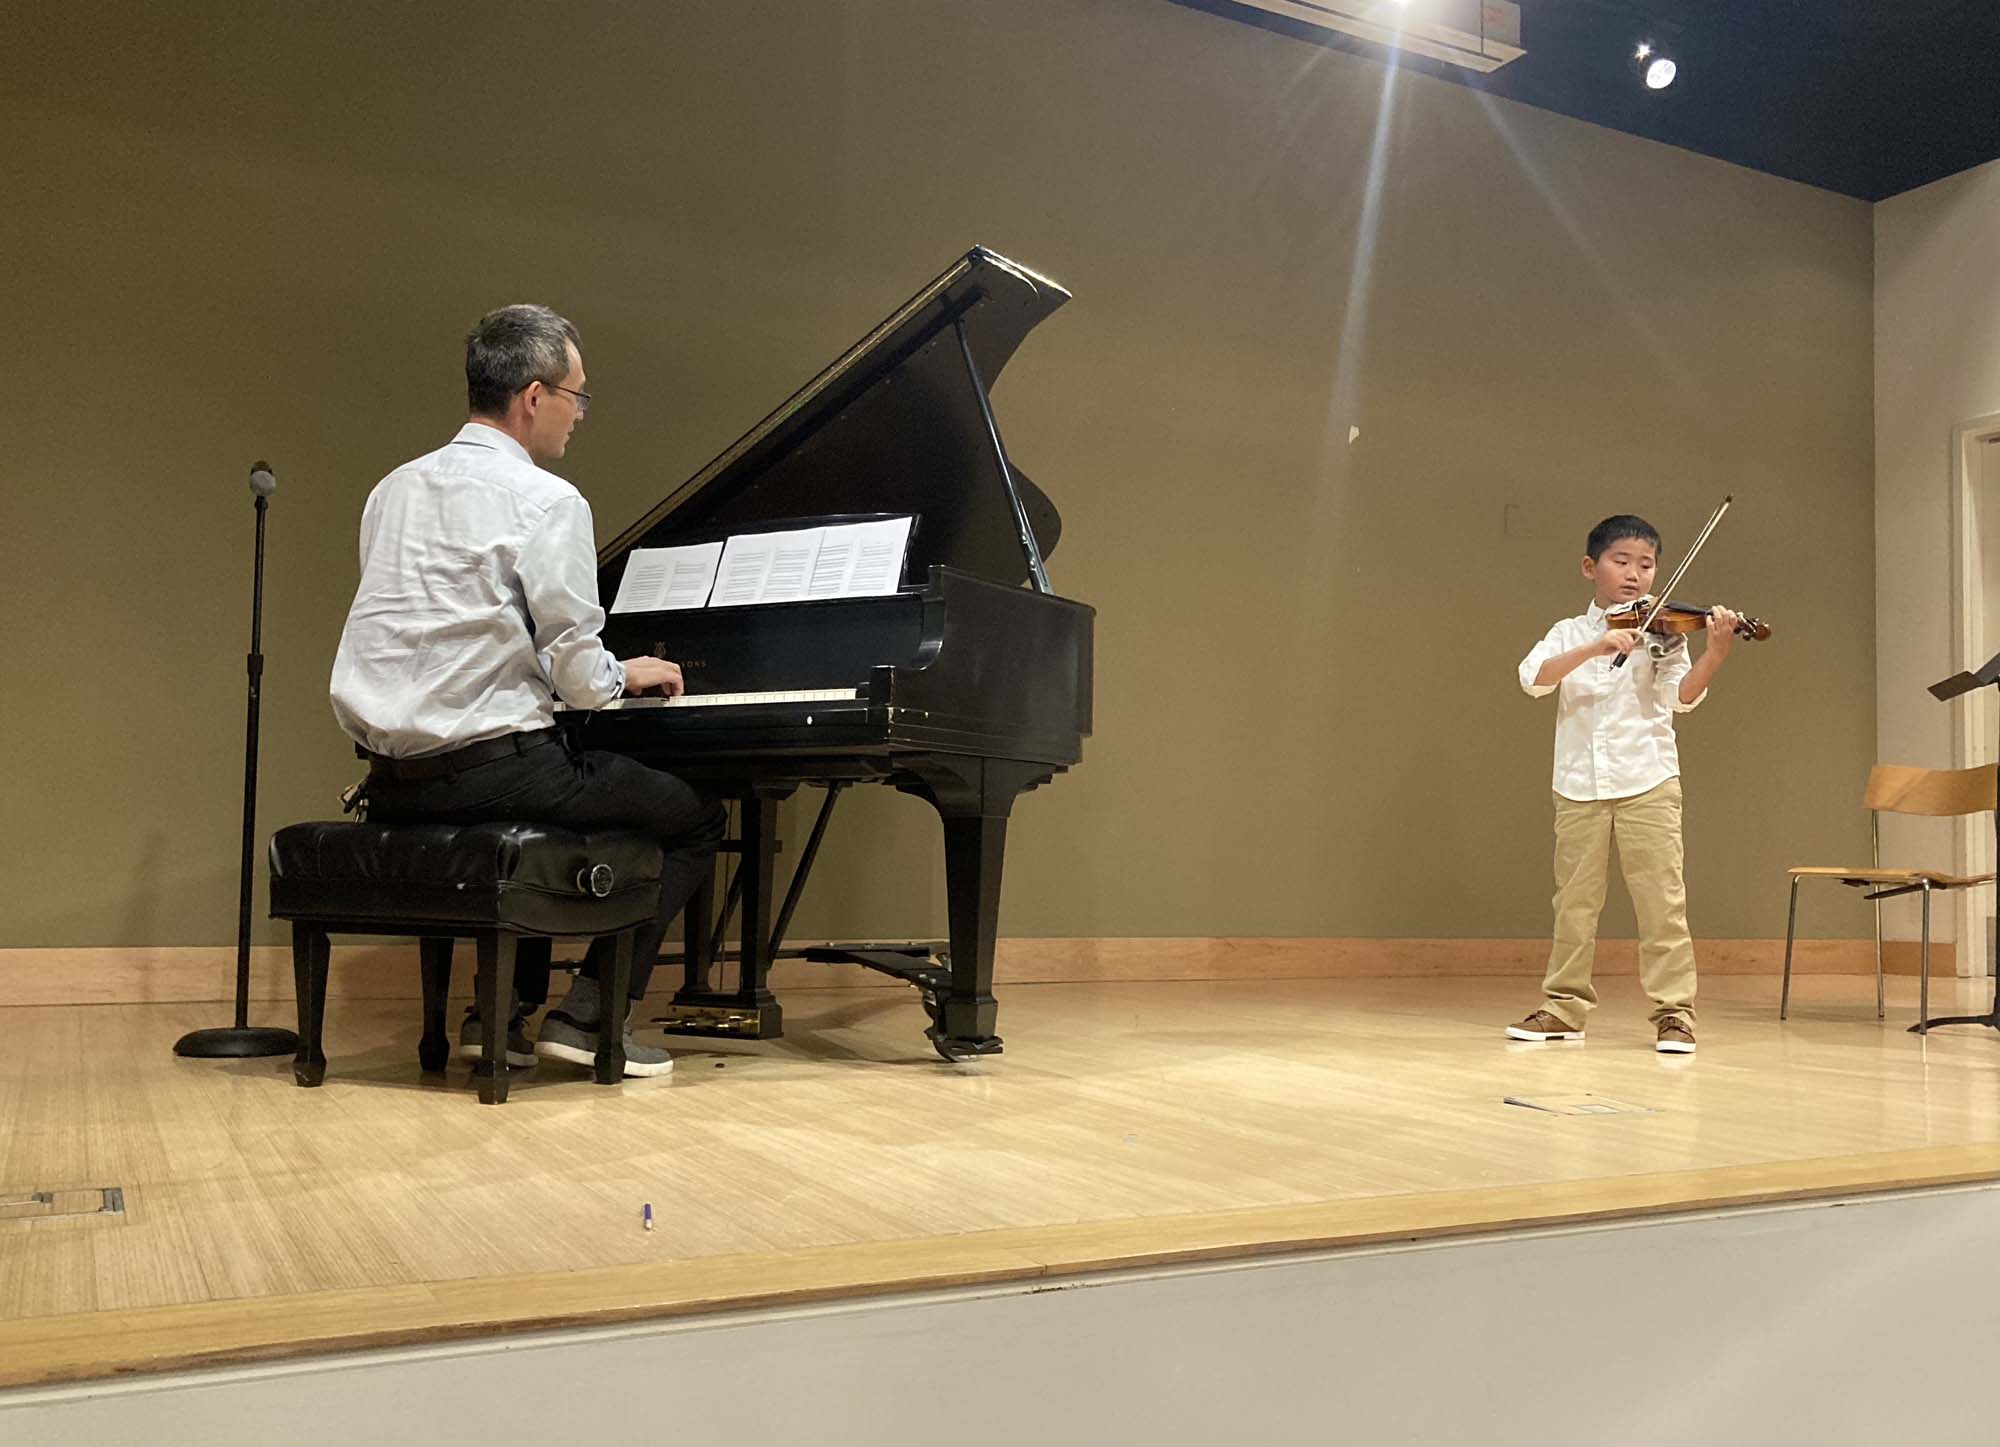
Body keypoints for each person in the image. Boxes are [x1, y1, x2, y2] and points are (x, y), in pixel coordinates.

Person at [330, 303, 724, 1077]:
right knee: (693, 819)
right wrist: (625, 671)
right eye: (577, 397)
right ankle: (588, 1016)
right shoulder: (547, 499)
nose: (579, 416)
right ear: (535, 396)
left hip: (392, 785)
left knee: (547, 770)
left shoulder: (393, 490)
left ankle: (496, 1014)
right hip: (494, 774)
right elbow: (580, 677)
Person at [1509, 515, 1745, 1054]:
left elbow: (1679, 698)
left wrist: (1714, 654)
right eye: (1622, 561)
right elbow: (1534, 678)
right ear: (1591, 567)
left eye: (1646, 564)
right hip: (1577, 784)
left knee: (1662, 902)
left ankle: (1675, 1014)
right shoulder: (1569, 632)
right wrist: (1596, 647)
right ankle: (1564, 1007)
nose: (1635, 574)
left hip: (1649, 779)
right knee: (1574, 903)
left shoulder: (1663, 635)